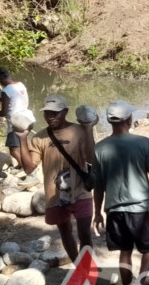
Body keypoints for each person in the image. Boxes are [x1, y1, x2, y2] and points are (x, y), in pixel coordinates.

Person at [92, 101, 149, 285]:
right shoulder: (143, 143)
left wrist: (97, 212)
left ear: (110, 122)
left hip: (115, 210)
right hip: (142, 207)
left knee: (125, 251)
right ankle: (140, 282)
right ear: (129, 120)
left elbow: (98, 186)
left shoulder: (99, 148)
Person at [15, 95, 94, 263]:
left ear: (65, 112)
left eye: (55, 113)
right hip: (55, 194)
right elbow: (29, 168)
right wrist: (22, 138)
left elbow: (91, 159)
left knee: (84, 233)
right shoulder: (39, 138)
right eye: (47, 113)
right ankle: (79, 268)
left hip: (80, 190)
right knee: (65, 232)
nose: (51, 117)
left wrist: (89, 130)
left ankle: (87, 267)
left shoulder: (79, 131)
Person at [0, 67, 34, 166]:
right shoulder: (21, 85)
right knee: (22, 145)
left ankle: (26, 168)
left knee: (13, 150)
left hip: (16, 122)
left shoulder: (6, 91)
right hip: (28, 119)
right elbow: (14, 99)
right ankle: (24, 165)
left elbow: (4, 112)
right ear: (9, 75)